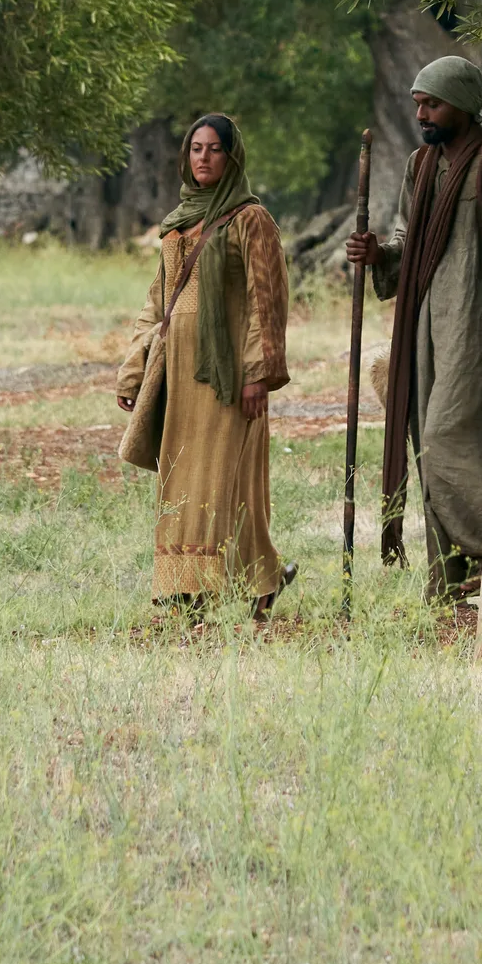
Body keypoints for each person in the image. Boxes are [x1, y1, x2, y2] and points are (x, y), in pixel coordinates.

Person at [346, 53, 482, 599]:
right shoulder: (421, 167)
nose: (422, 113)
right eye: (418, 103)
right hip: (422, 328)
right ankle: (453, 577)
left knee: (445, 440)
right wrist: (377, 255)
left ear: (464, 105)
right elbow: (406, 239)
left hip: (478, 325)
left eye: (433, 103)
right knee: (429, 442)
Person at [139, 113, 293, 618]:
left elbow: (265, 301)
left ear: (232, 158)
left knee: (226, 478)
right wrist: (136, 370)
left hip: (226, 376)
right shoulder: (178, 222)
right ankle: (230, 584)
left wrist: (257, 374)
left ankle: (210, 589)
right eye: (196, 149)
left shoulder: (250, 219)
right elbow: (157, 302)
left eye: (214, 150)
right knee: (184, 477)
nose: (203, 158)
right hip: (179, 375)